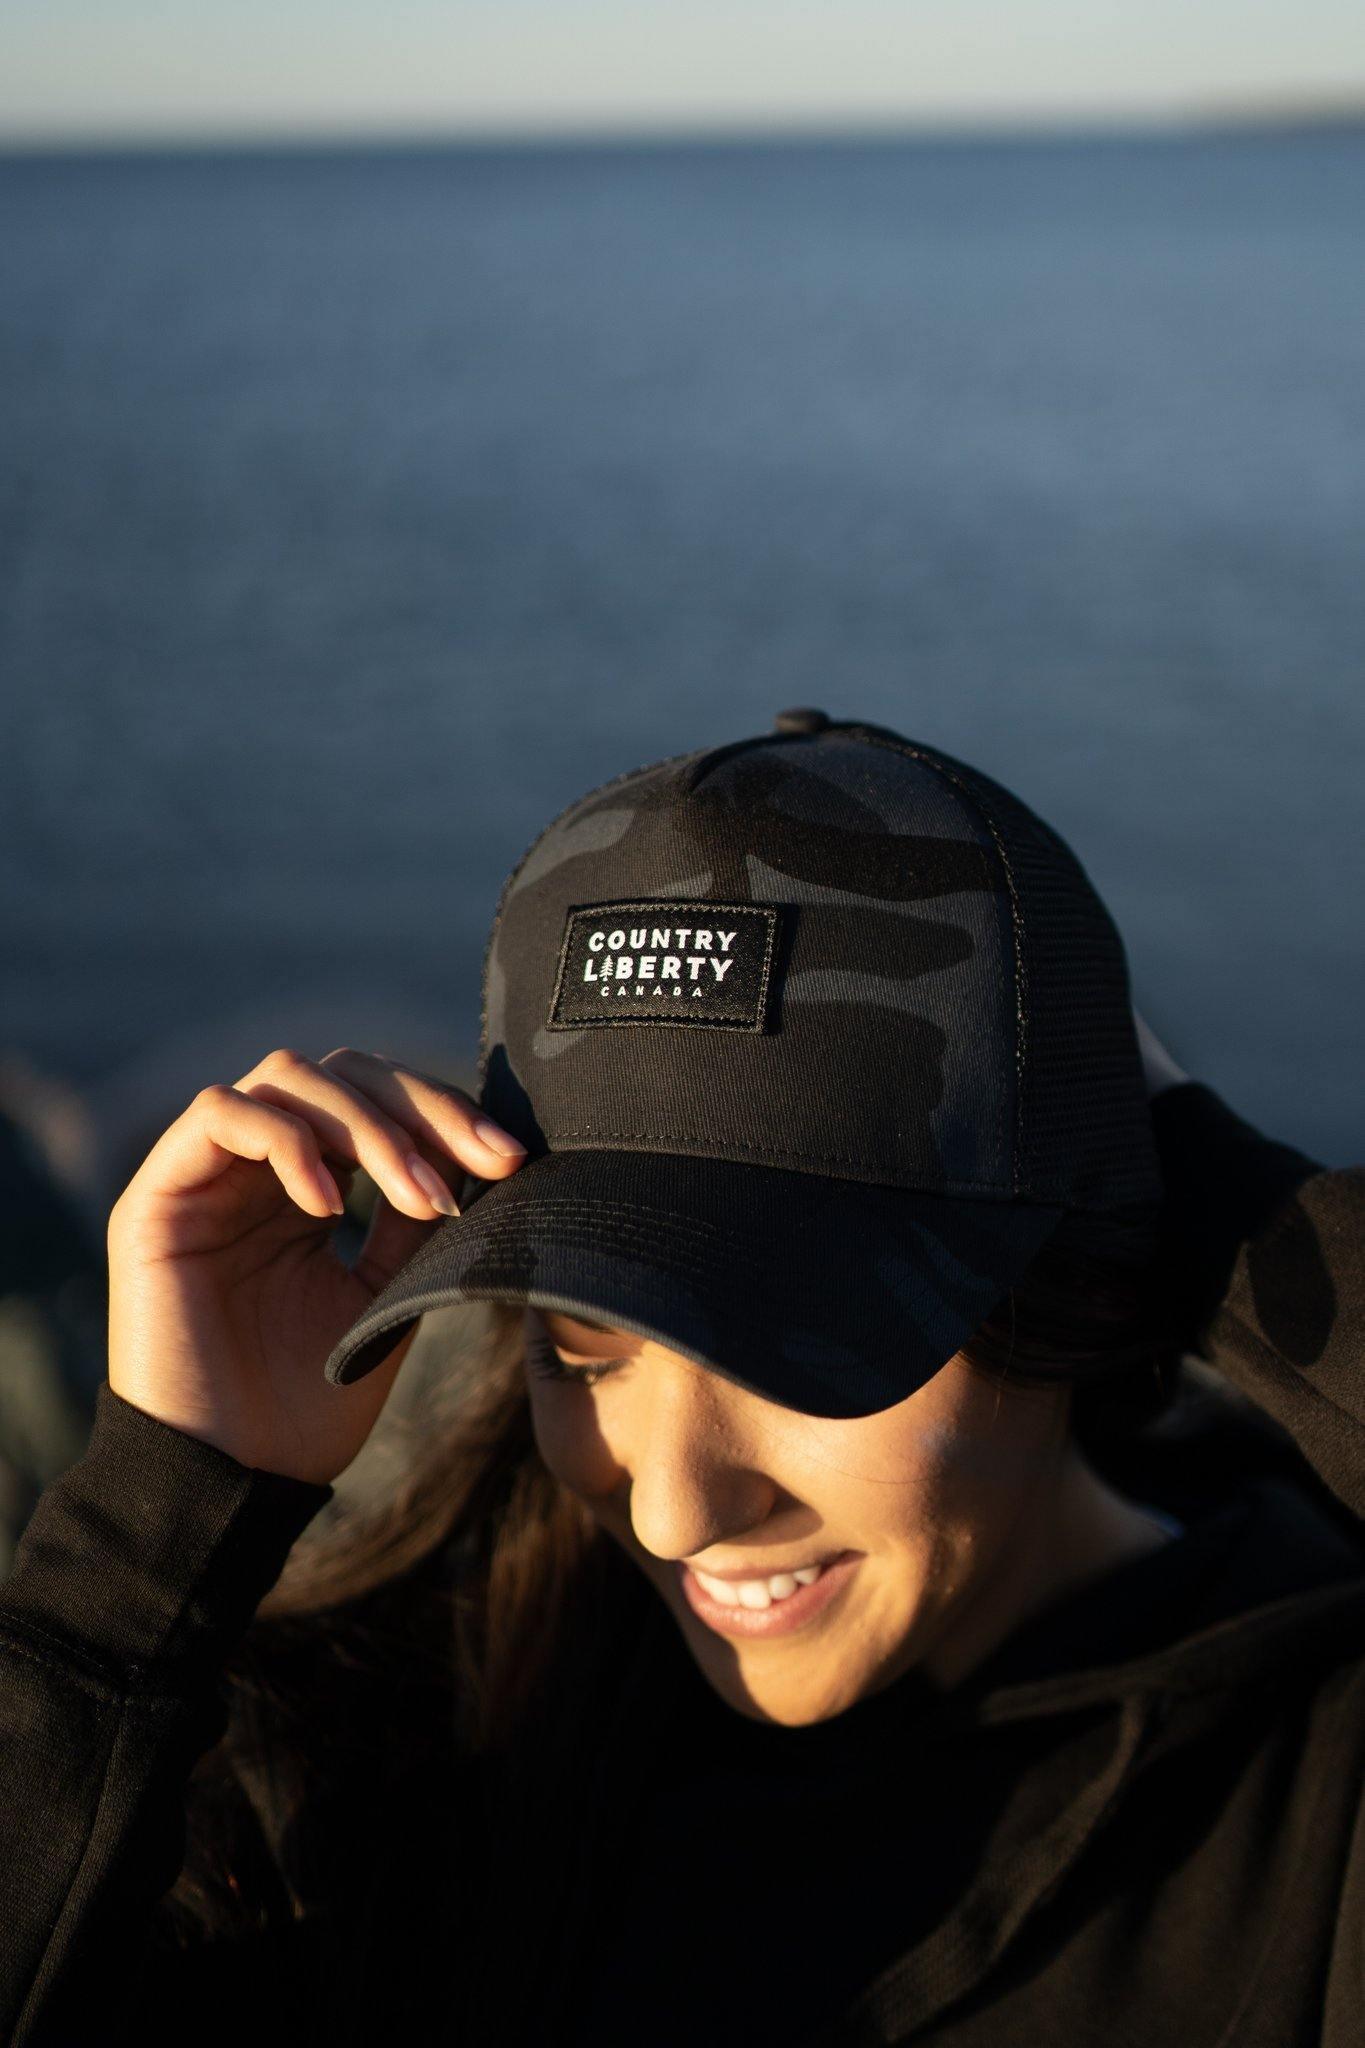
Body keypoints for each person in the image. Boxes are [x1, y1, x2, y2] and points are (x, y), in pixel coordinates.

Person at [1, 710, 1362, 2048]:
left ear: (1056, 1283)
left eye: (798, 1355)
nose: (672, 1512)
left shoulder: (1311, 1809)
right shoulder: (376, 1756)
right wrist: (158, 1518)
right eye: (580, 1349)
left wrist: (1190, 1174)